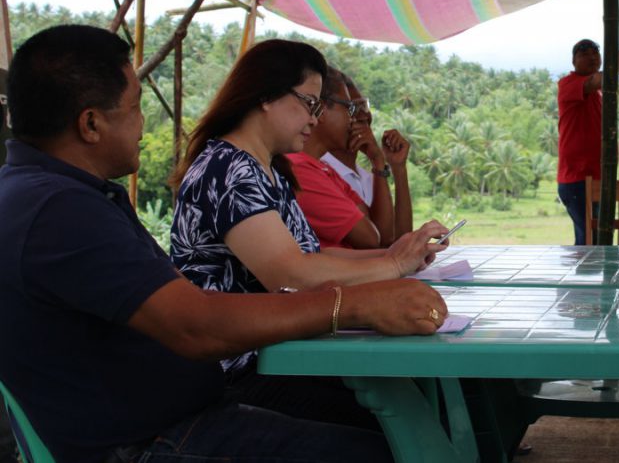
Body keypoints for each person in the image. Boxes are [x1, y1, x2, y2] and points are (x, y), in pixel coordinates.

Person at [0, 25, 449, 462]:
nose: (142, 123)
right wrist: (354, 304)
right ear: (91, 123)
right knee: (397, 448)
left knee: (403, 424)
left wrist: (386, 267)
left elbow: (183, 299)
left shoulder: (54, 195)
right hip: (145, 440)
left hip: (172, 414)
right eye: (135, 107)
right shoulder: (59, 211)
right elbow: (197, 325)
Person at [169, 39, 445, 375]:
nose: (314, 120)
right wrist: (393, 265)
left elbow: (311, 256)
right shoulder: (228, 170)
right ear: (267, 97)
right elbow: (291, 275)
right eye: (309, 104)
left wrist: (391, 256)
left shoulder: (266, 168)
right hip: (242, 368)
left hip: (281, 350)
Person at [288, 66, 391, 249]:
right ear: (321, 109)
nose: (353, 120)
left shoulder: (324, 171)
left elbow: (380, 234)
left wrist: (380, 161)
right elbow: (371, 239)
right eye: (349, 108)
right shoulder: (300, 169)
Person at [321, 74, 412, 246]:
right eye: (351, 107)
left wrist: (398, 168)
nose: (363, 114)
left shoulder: (369, 177)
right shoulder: (324, 172)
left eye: (364, 105)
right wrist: (378, 162)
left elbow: (400, 241)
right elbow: (380, 243)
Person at [556, 38, 602, 245]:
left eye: (595, 53)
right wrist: (616, 66)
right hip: (577, 178)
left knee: (592, 238)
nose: (592, 57)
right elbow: (594, 81)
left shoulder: (599, 95)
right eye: (585, 54)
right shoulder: (569, 84)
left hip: (596, 177)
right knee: (590, 239)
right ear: (574, 61)